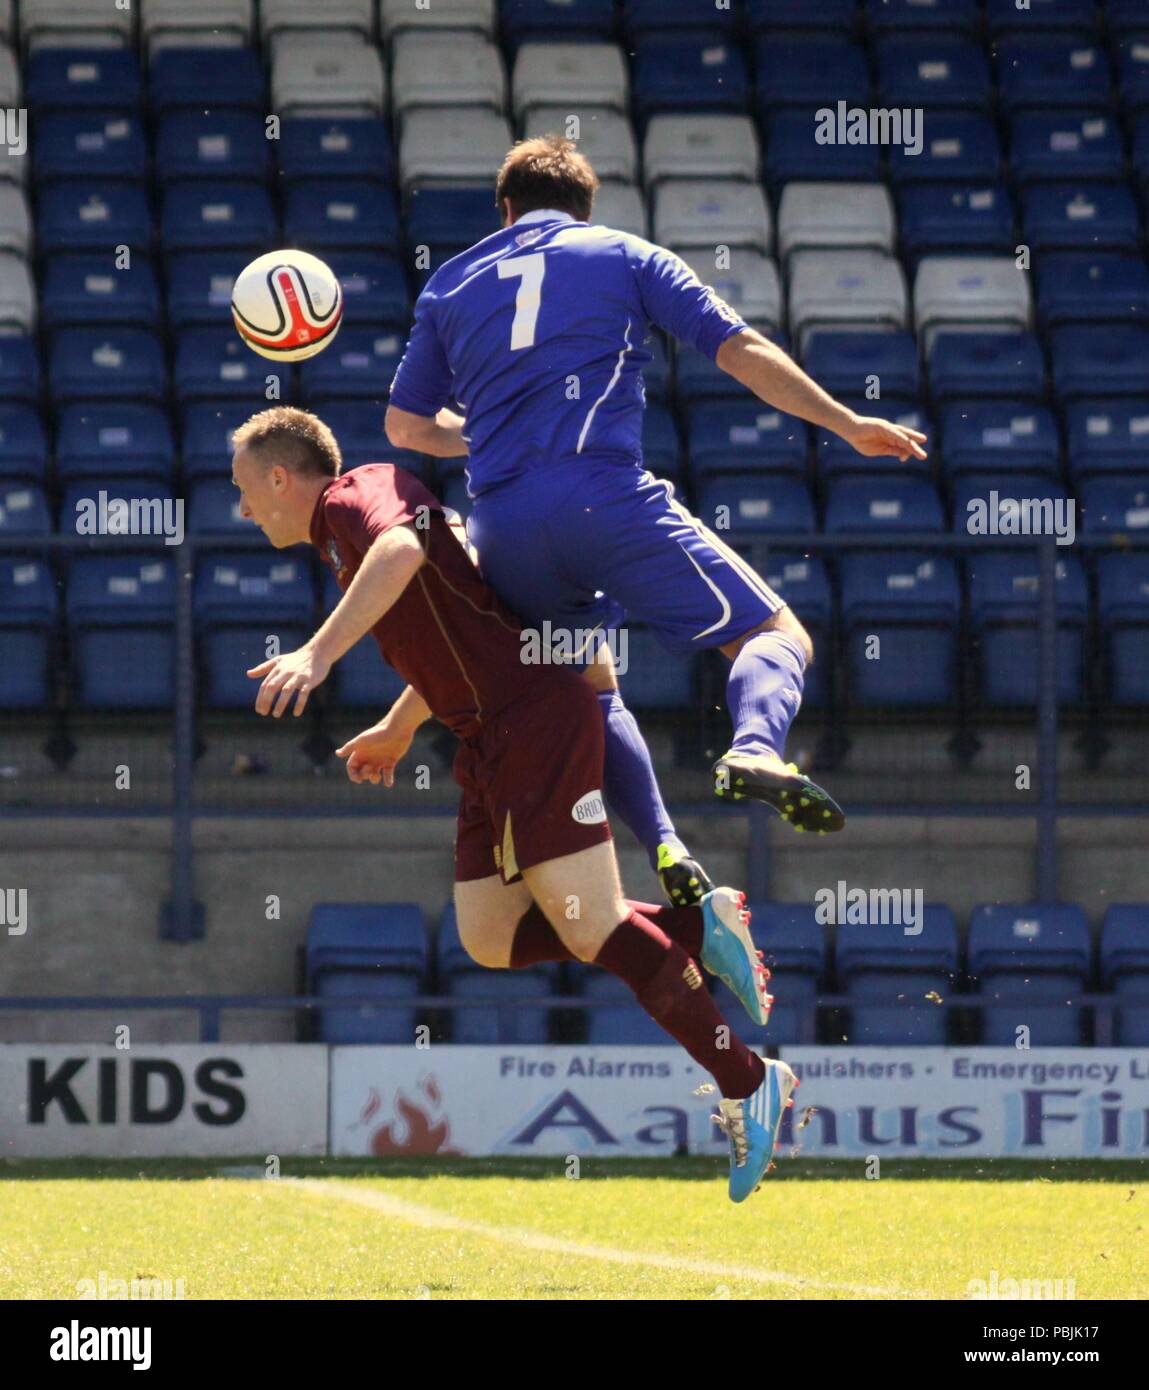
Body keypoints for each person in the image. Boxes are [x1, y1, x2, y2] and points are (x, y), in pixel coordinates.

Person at [230, 405, 793, 1202]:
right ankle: (697, 926)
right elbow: (452, 628)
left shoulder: (362, 495)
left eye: (245, 489)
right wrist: (396, 728)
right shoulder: (339, 529)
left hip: (533, 720)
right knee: (492, 939)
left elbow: (402, 547)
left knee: (588, 922)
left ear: (280, 476)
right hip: (488, 738)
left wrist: (317, 655)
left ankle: (745, 1079)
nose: (243, 507)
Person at [385, 135, 929, 871]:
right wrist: (847, 423)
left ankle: (666, 847)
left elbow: (406, 427)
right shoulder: (625, 254)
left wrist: (490, 432)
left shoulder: (448, 283)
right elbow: (739, 350)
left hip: (504, 524)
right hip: (602, 498)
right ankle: (756, 750)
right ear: (584, 207)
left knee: (587, 678)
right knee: (776, 634)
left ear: (505, 210)